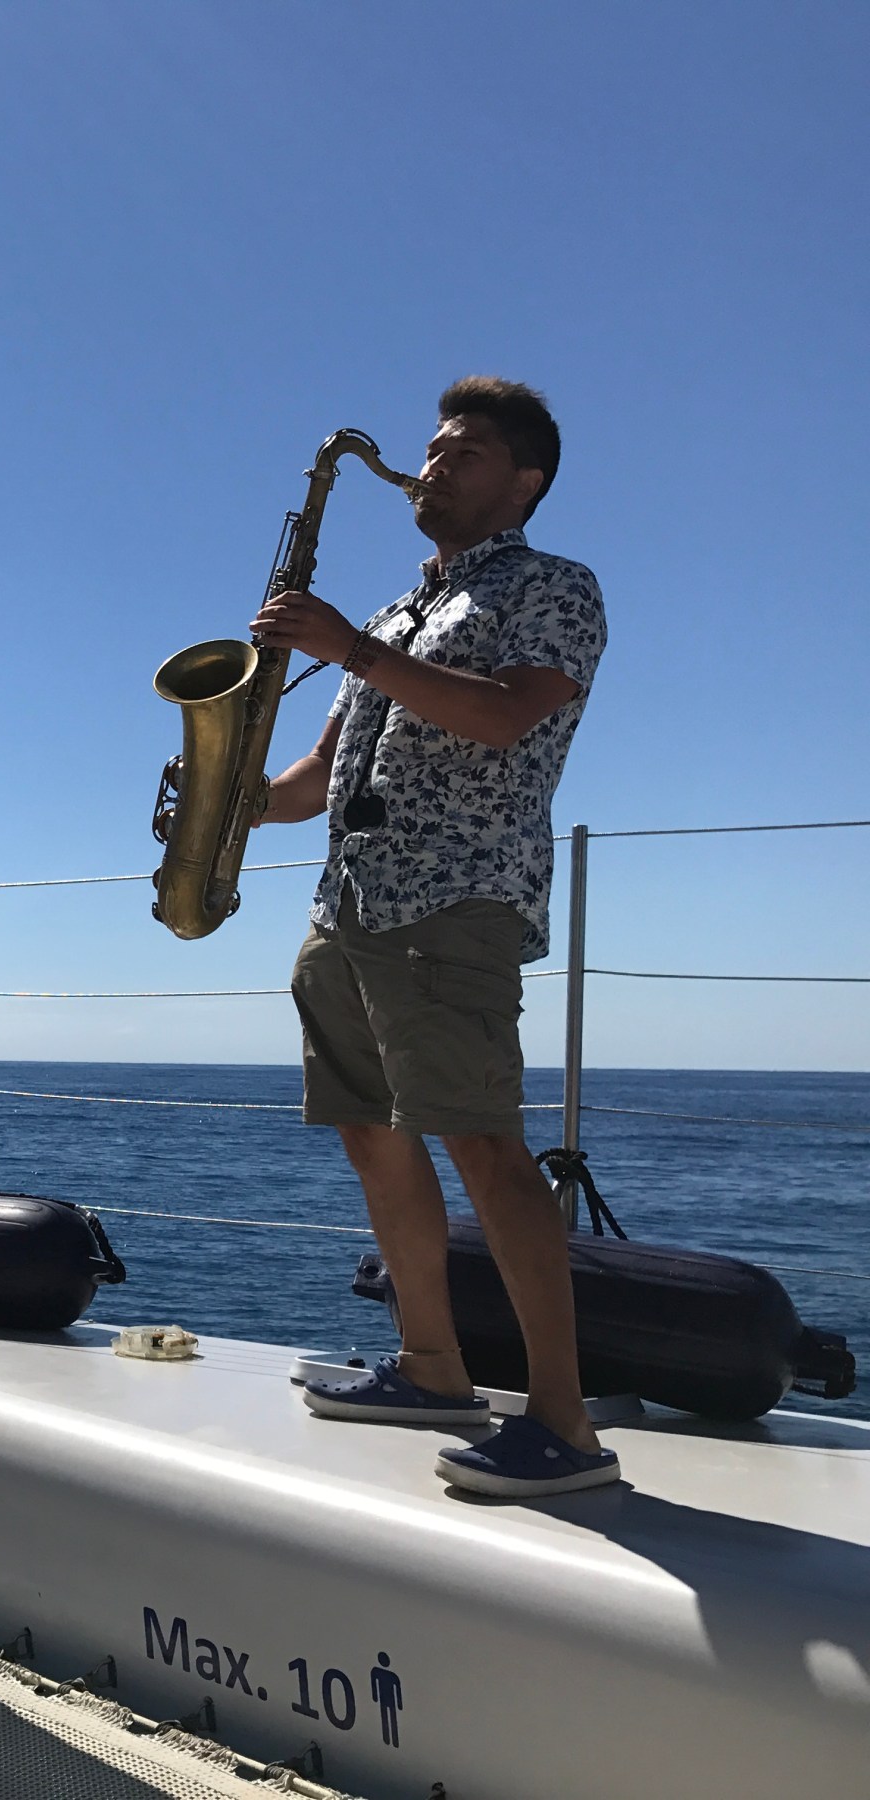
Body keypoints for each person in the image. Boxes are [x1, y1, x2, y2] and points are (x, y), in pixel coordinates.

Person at [251, 376, 618, 1498]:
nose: (435, 460)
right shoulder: (392, 612)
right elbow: (319, 779)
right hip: (349, 900)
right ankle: (431, 1367)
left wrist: (352, 652)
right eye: (435, 444)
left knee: (486, 1148)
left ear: (526, 482)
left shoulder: (555, 587)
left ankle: (564, 1426)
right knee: (370, 1132)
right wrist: (227, 796)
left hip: (454, 901)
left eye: (466, 449)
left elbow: (507, 714)